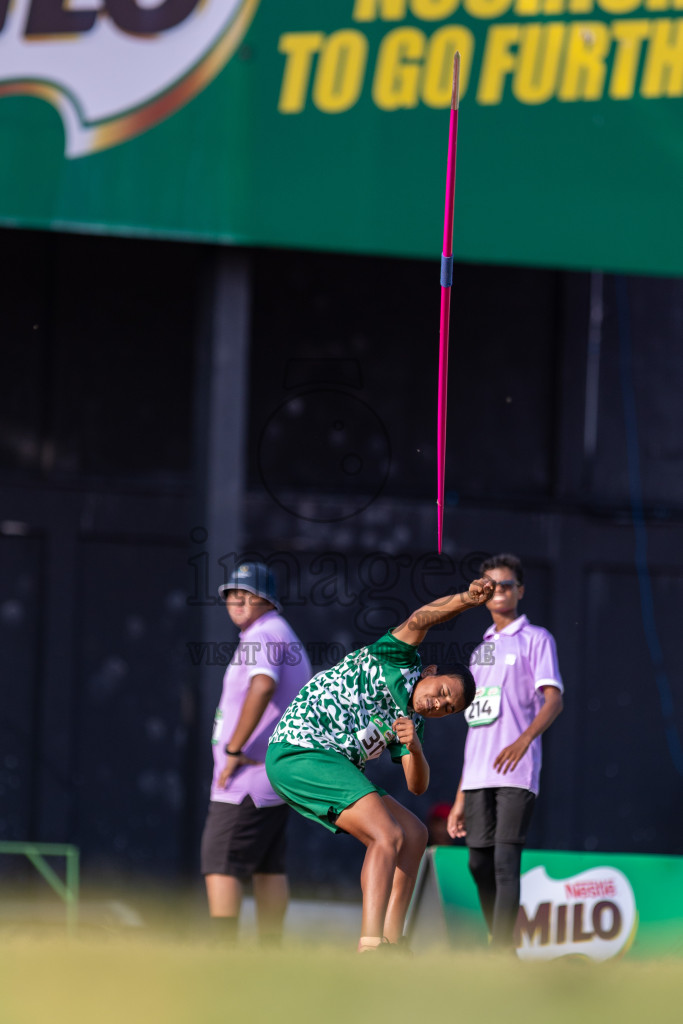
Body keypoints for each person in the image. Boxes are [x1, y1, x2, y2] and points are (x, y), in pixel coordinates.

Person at [265, 575, 495, 952]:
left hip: (327, 761)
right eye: (441, 693)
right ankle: (370, 945)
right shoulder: (399, 658)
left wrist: (416, 749)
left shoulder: (412, 724)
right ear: (431, 672)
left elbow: (417, 785)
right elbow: (421, 619)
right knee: (386, 835)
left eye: (448, 708)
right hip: (300, 749)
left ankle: (393, 941)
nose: (439, 704)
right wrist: (466, 600)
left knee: (415, 833)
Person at [447, 553, 563, 950]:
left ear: (521, 591)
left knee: (503, 861)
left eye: (507, 585)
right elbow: (474, 725)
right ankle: (499, 939)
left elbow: (553, 699)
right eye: (491, 586)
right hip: (478, 773)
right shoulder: (481, 650)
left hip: (516, 769)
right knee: (477, 861)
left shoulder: (537, 639)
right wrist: (460, 794)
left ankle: (500, 953)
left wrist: (524, 739)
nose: (499, 592)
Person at [200, 561, 311, 944]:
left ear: (268, 599)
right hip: (271, 774)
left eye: (248, 594)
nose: (237, 601)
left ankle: (223, 950)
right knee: (267, 865)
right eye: (232, 594)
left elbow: (262, 686)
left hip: (248, 775)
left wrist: (234, 749)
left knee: (220, 862)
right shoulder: (276, 632)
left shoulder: (265, 634)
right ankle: (269, 951)